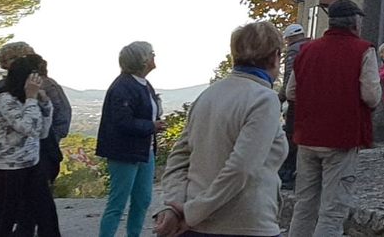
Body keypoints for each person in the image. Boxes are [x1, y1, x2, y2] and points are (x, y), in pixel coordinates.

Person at [155, 22, 288, 237]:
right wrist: (192, 213)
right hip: (244, 224)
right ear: (275, 56)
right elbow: (241, 168)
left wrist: (175, 204)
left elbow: (179, 157)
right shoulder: (264, 99)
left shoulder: (207, 95)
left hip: (197, 227)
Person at [286, 0, 382, 237]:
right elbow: (371, 96)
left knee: (304, 206)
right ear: (355, 23)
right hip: (341, 137)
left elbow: (290, 92)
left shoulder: (307, 49)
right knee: (332, 211)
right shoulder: (363, 50)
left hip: (307, 136)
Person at [0, 54, 57, 237]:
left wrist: (45, 103)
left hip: (32, 164)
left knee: (47, 215)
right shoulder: (5, 99)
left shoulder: (30, 101)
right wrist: (32, 99)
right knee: (4, 218)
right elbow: (27, 128)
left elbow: (43, 133)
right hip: (8, 168)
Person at [96, 41, 164, 237]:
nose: (154, 56)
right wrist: (151, 126)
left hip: (144, 150)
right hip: (123, 152)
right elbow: (122, 122)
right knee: (117, 202)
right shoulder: (123, 87)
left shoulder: (143, 84)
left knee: (143, 199)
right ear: (143, 60)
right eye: (152, 53)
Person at [278, 23, 307, 190]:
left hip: (297, 99)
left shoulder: (293, 51)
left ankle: (287, 174)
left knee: (291, 135)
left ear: (289, 38)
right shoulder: (311, 46)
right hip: (311, 99)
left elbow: (290, 77)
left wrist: (280, 98)